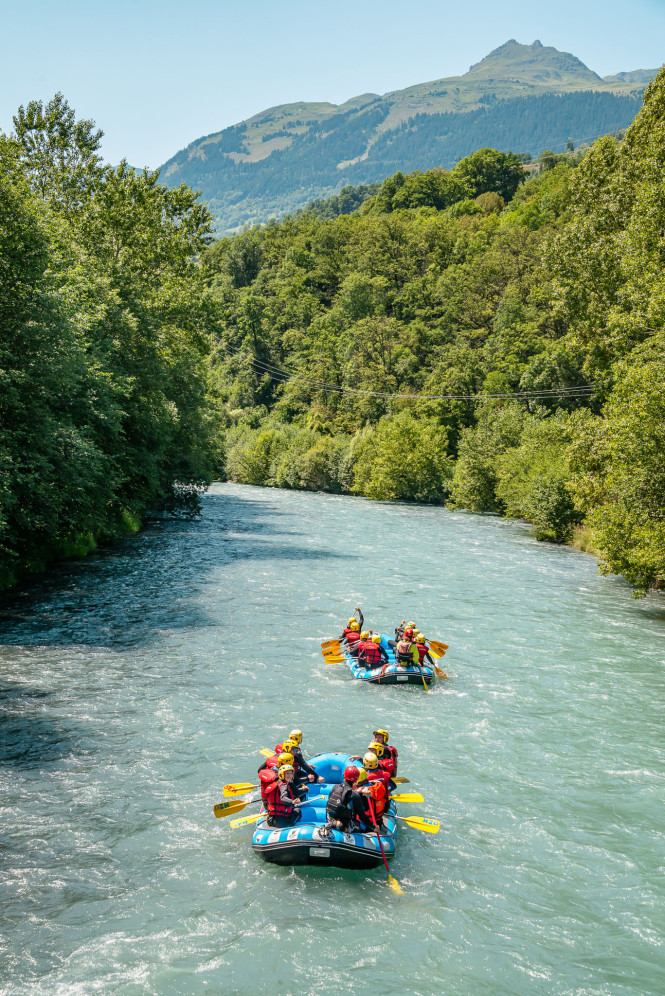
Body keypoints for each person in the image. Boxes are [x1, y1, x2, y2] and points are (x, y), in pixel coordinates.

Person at [326, 765, 374, 832]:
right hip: (344, 825)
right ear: (356, 779)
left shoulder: (335, 787)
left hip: (330, 820)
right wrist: (373, 827)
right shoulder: (354, 795)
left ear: (344, 776)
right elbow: (362, 816)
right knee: (363, 827)